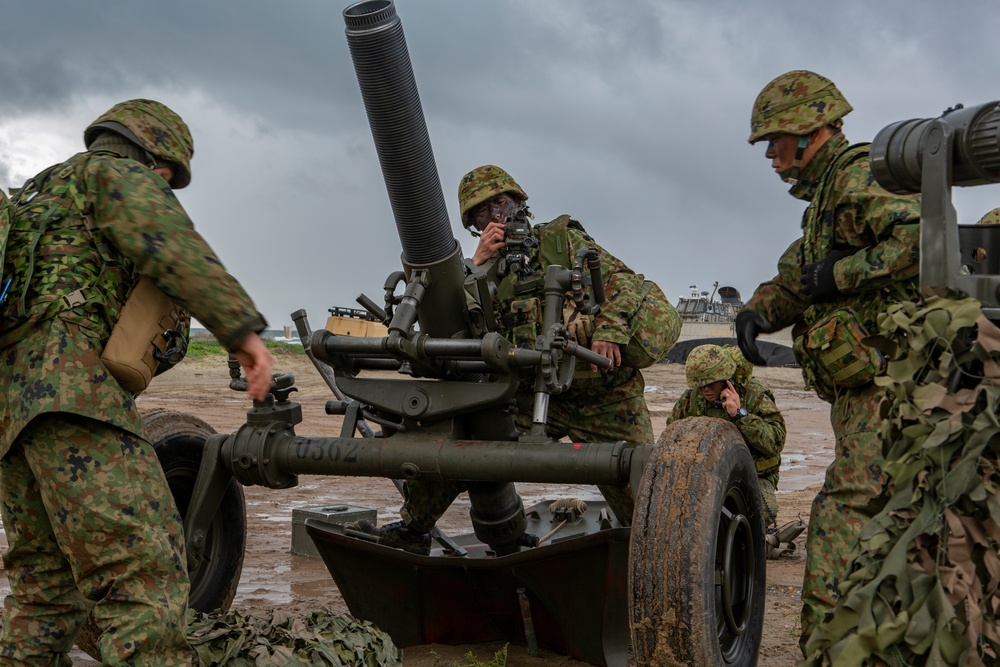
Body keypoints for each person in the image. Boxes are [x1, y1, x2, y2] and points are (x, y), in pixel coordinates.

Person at [0, 99, 273, 665]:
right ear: (152, 158)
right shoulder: (112, 174)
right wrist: (242, 334)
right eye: (168, 173)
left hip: (10, 417)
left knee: (45, 594)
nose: (167, 183)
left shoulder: (35, 195)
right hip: (72, 397)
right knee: (143, 576)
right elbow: (172, 244)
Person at [360, 165, 680, 553]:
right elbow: (453, 329)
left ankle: (659, 555)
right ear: (474, 226)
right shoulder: (480, 271)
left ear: (519, 202)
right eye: (482, 212)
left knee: (641, 499)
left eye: (501, 202)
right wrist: (475, 266)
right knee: (464, 436)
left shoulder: (560, 240)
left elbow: (628, 286)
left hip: (604, 398)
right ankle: (414, 528)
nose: (496, 214)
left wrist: (609, 330)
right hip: (529, 392)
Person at [735, 71, 921, 652]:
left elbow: (923, 239)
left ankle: (828, 649)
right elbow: (800, 274)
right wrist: (759, 313)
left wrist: (838, 275)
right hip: (864, 393)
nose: (770, 157)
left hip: (893, 388)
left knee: (845, 519)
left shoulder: (858, 174)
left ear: (807, 130)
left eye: (774, 142)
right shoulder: (825, 203)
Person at [666, 344, 785, 529]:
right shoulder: (692, 400)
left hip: (752, 473)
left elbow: (775, 442)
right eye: (700, 384)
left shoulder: (754, 395)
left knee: (761, 512)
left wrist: (740, 414)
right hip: (708, 472)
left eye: (710, 383)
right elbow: (672, 434)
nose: (705, 390)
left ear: (725, 378)